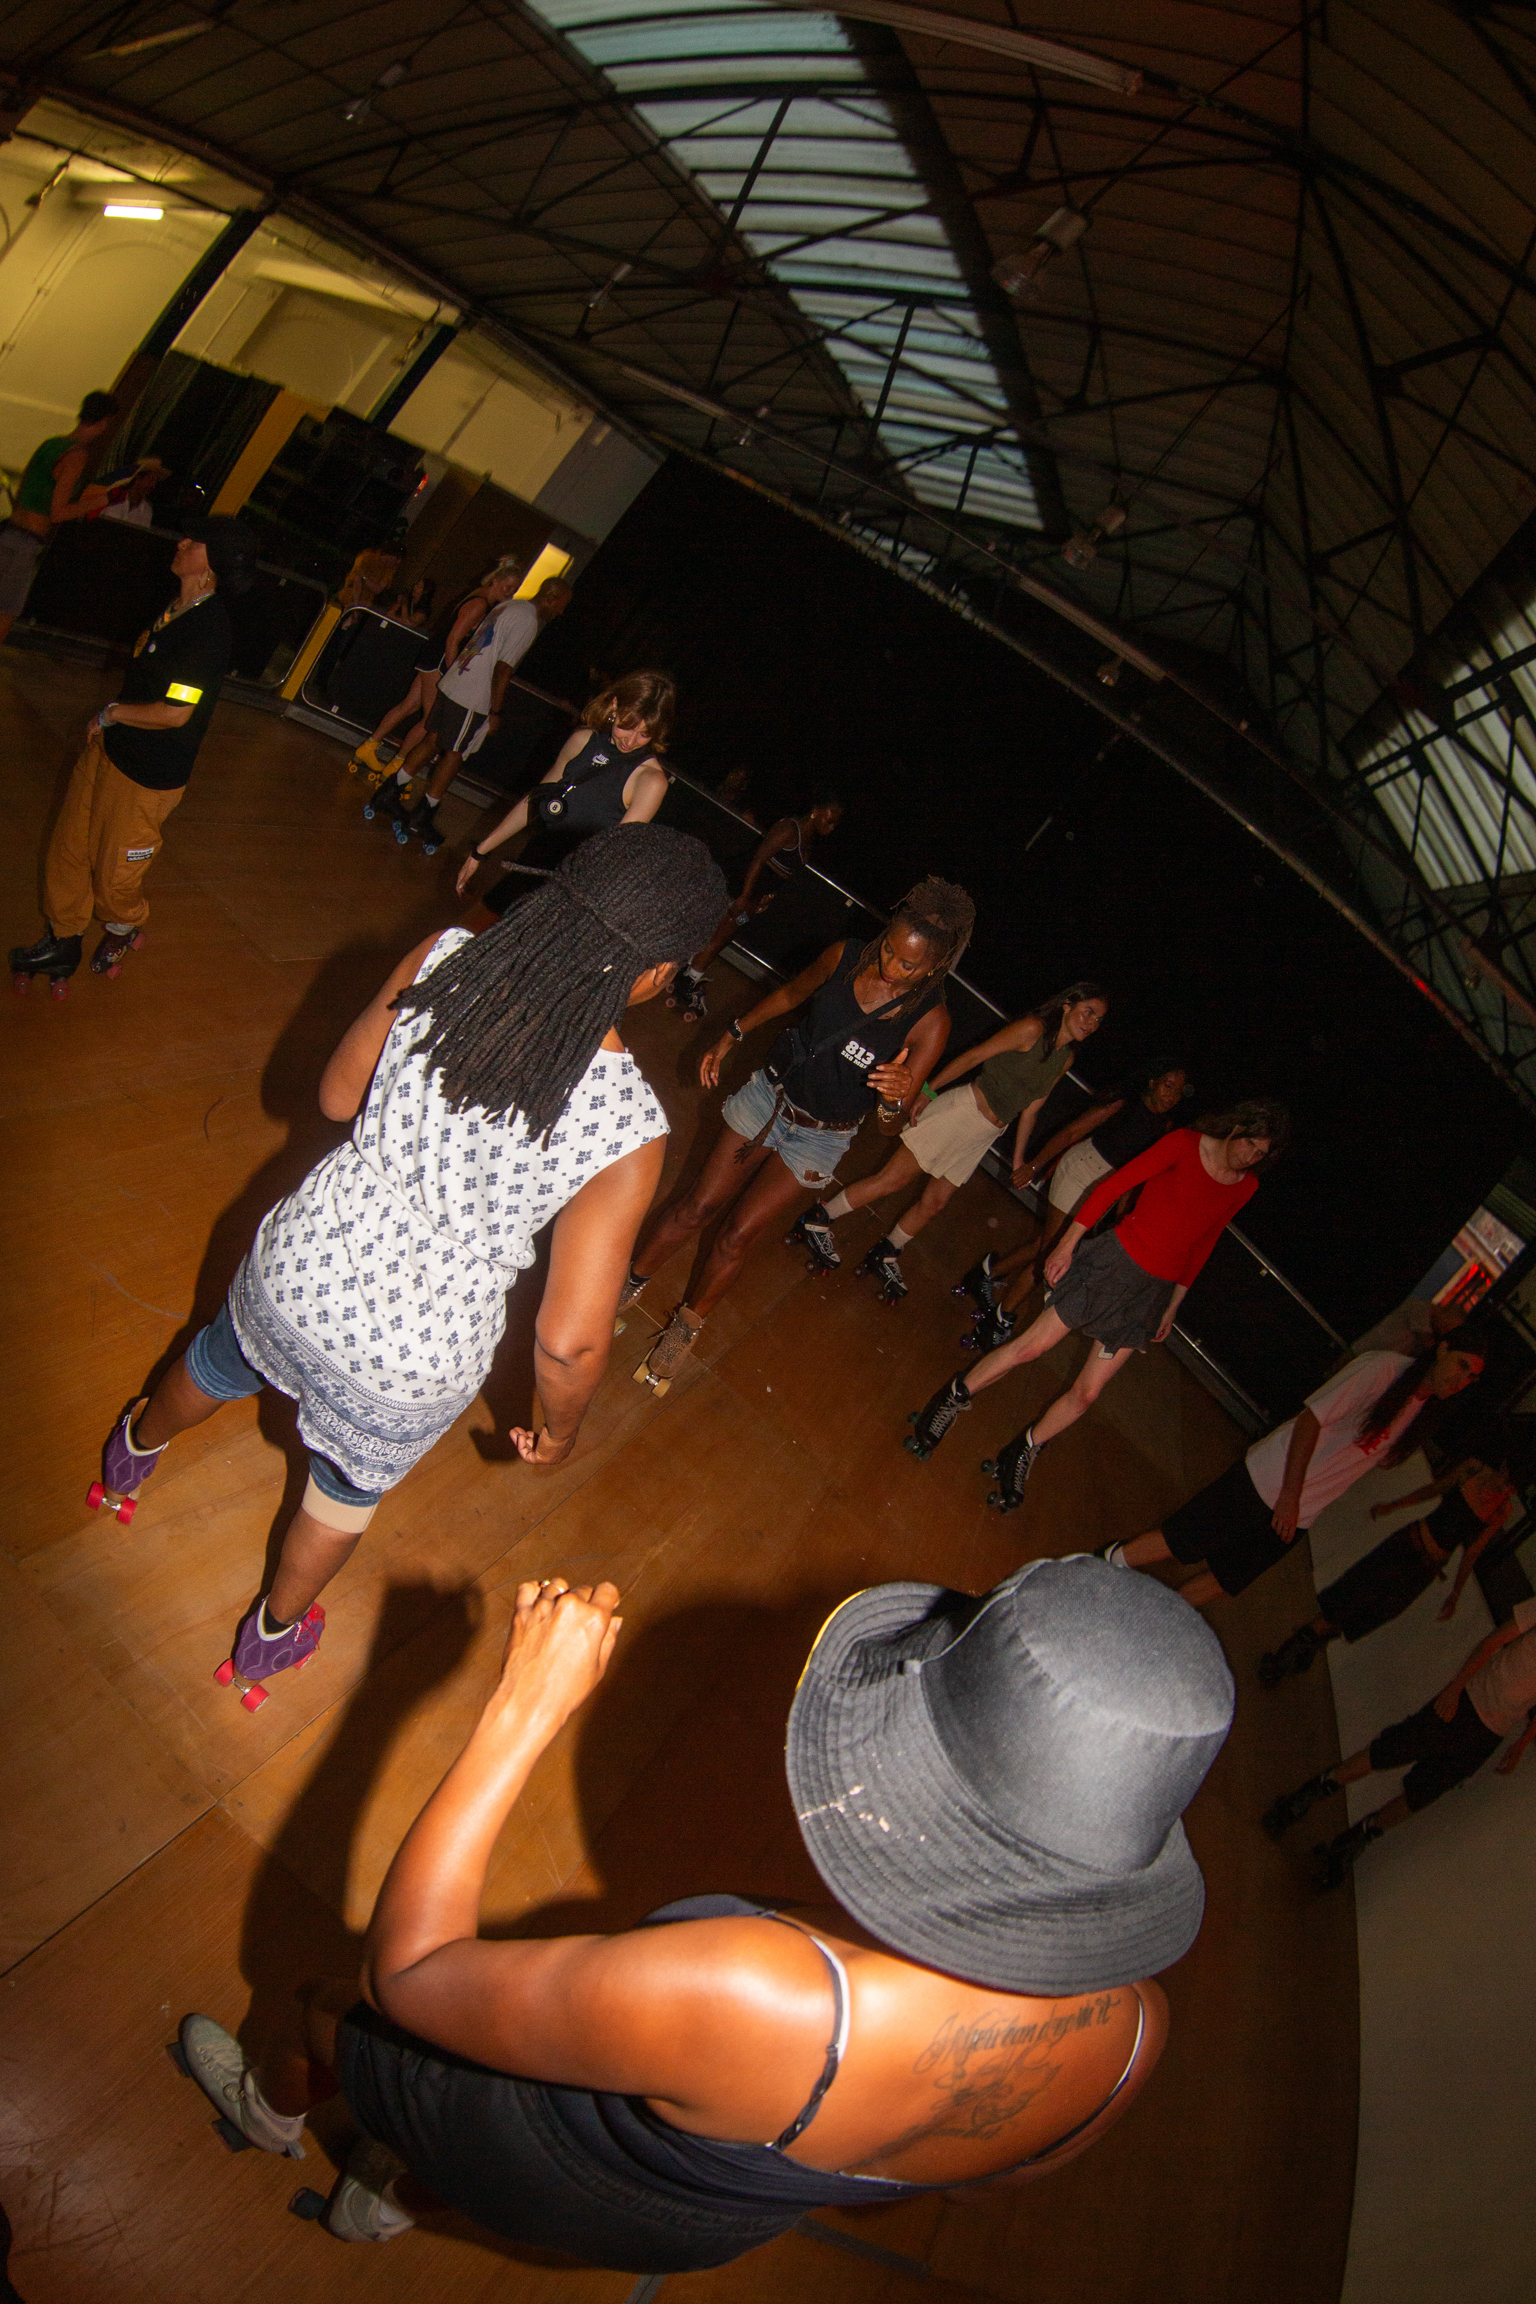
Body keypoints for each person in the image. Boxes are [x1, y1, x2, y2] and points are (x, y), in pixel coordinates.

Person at [171, 1552, 1234, 2262]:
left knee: (328, 2011)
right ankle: (384, 2202)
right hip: (704, 2227)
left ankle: (267, 2115)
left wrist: (520, 1710)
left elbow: (404, 1978)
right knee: (469, 2164)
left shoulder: (759, 1988)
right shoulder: (1139, 2028)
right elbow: (979, 2182)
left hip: (544, 2148)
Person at [82, 827, 727, 1707]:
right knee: (340, 1499)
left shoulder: (449, 955)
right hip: (413, 1356)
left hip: (304, 1260)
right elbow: (569, 1341)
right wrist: (563, 1430)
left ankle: (130, 1456)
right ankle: (269, 1640)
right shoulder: (627, 1126)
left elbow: (337, 1096)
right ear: (655, 971)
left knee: (215, 1361)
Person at [621, 878, 974, 1389]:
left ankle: (685, 1329)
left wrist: (896, 1097)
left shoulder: (931, 1022)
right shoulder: (846, 956)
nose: (890, 968)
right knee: (697, 1206)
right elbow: (790, 992)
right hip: (770, 1095)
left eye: (907, 965)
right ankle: (628, 1285)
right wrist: (732, 1033)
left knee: (739, 1233)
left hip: (821, 1137)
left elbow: (890, 1124)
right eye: (888, 950)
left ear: (935, 967)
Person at [905, 1100, 1288, 1503]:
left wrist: (1173, 1304)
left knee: (1087, 1393)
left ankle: (1023, 1450)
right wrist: (1067, 1245)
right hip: (1113, 1264)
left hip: (1149, 1294)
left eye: (1260, 1155)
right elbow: (1112, 1187)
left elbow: (1204, 1242)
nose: (1250, 1157)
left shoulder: (1246, 1185)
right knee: (1030, 1348)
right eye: (1249, 1145)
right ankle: (948, 1403)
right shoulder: (1184, 1144)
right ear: (1236, 1128)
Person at [9, 518, 254, 995]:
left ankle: (125, 928)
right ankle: (63, 938)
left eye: (193, 540)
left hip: (147, 777)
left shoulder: (208, 632)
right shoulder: (177, 608)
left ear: (214, 562)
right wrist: (109, 725)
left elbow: (175, 713)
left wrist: (111, 712)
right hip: (110, 751)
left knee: (114, 877)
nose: (181, 541)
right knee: (69, 850)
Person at [1106, 1334, 1487, 1607]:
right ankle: (1106, 1563)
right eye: (1461, 1365)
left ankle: (1156, 1620)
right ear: (1443, 1349)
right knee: (1182, 1540)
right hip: (1269, 1480)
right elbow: (1310, 1421)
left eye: (1471, 1379)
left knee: (1226, 1578)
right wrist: (1289, 1493)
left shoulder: (1423, 1414)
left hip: (1301, 1512)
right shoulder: (1382, 1370)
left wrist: (1302, 1507)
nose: (1461, 1380)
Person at [792, 982, 1108, 1303]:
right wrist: (928, 1092)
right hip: (962, 1111)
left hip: (986, 1134)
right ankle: (818, 1220)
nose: (1092, 1023)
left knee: (935, 1204)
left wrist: (1019, 1160)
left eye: (1098, 1020)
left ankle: (887, 1252)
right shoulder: (1031, 1030)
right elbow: (974, 1056)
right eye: (1089, 1012)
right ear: (1067, 1005)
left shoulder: (1064, 1059)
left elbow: (1031, 1109)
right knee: (892, 1180)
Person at [1263, 1597, 1536, 1889]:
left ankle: (1354, 1841)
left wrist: (1521, 1743)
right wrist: (1455, 1689)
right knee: (1390, 1750)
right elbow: (1493, 1642)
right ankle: (1309, 1795)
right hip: (1469, 1700)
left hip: (1490, 1733)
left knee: (1423, 1792)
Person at [957, 1061, 1192, 1353]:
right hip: (1080, 1171)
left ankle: (985, 1274)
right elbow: (1071, 1133)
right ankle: (999, 1318)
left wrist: (1121, 1220)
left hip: (1104, 1190)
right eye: (1168, 1086)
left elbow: (1131, 1179)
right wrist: (1034, 1165)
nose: (1171, 1097)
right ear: (1153, 1082)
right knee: (1052, 1253)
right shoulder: (1124, 1103)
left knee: (1049, 1243)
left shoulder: (1165, 1129)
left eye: (1178, 1093)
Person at [1257, 1437, 1521, 1685]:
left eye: (1511, 1490)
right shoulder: (1473, 1470)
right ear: (1504, 1467)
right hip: (1407, 1545)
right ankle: (1288, 1655)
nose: (1504, 1490)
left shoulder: (1501, 1508)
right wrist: (1395, 1505)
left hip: (1425, 1569)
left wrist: (1456, 1591)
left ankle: (1307, 1648)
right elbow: (1432, 1490)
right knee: (1353, 1596)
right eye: (1506, 1482)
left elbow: (1473, 1550)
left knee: (1370, 1613)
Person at [458, 668, 671, 917]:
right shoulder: (583, 740)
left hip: (571, 896)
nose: (631, 740)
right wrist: (480, 852)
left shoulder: (650, 780)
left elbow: (611, 856)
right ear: (614, 706)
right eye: (627, 725)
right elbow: (536, 801)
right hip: (529, 868)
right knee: (472, 936)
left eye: (645, 734)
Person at [391, 575, 574, 849]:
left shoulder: (512, 607)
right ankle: (422, 816)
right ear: (550, 598)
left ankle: (389, 792)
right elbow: (503, 669)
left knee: (432, 740)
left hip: (456, 680)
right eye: (561, 604)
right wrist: (495, 710)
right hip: (472, 694)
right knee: (454, 754)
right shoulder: (528, 620)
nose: (561, 611)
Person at [669, 794, 845, 1025]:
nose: (830, 828)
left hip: (753, 900)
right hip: (740, 892)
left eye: (834, 824)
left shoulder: (807, 840)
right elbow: (758, 859)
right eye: (828, 820)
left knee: (725, 936)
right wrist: (743, 896)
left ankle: (689, 976)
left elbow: (780, 875)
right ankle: (687, 979)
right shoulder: (790, 829)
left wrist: (766, 898)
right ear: (816, 811)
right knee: (720, 934)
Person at [349, 562, 516, 784]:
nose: (509, 591)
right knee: (430, 722)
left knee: (409, 705)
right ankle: (397, 766)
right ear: (496, 580)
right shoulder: (480, 603)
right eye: (507, 585)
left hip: (432, 658)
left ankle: (370, 747)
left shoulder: (479, 598)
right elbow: (453, 640)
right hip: (438, 662)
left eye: (514, 588)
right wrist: (452, 673)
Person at [0, 389, 119, 646]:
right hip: (26, 542)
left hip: (9, 531)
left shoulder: (51, 443)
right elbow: (58, 512)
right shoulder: (77, 455)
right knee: (7, 612)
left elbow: (23, 491)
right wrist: (103, 500)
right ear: (103, 422)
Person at [99, 457, 170, 527]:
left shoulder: (146, 510)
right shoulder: (113, 498)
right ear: (138, 478)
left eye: (155, 481)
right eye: (150, 480)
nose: (153, 485)